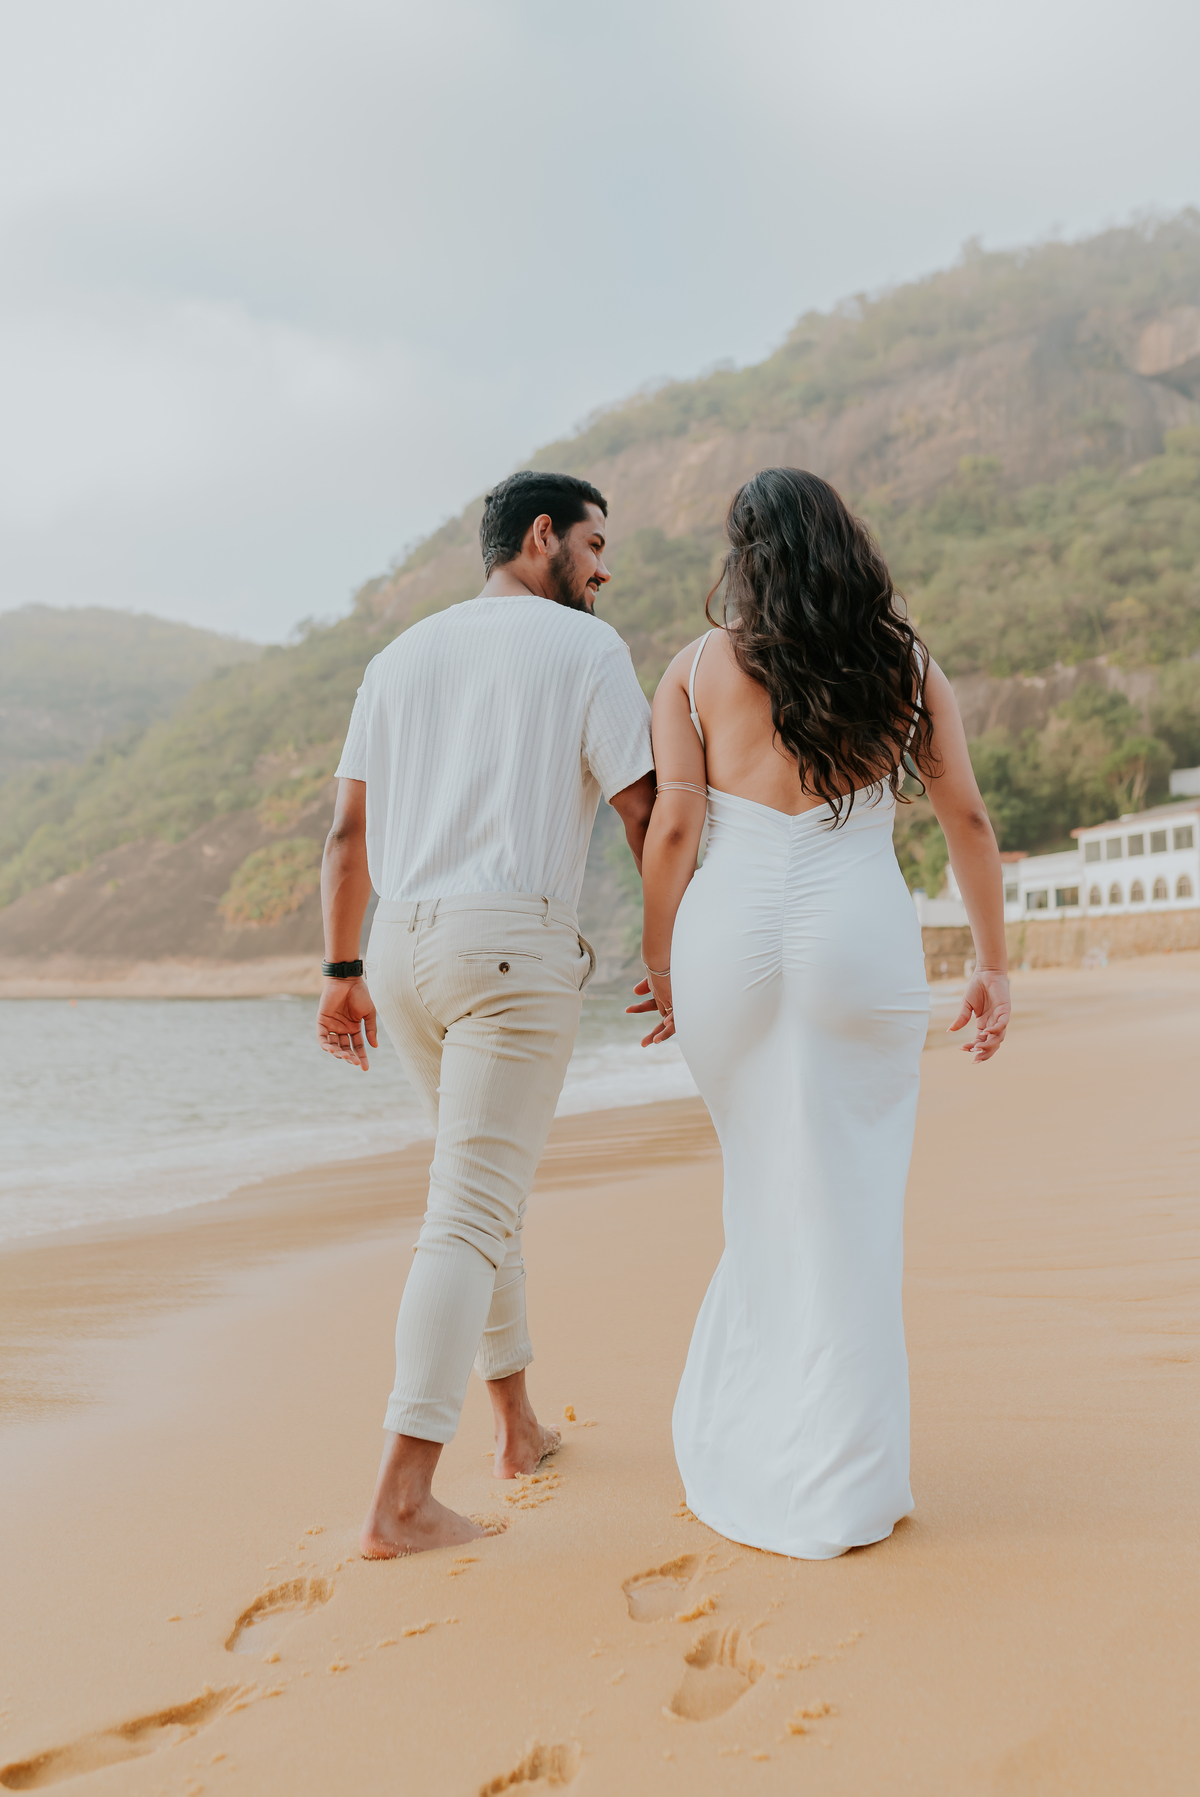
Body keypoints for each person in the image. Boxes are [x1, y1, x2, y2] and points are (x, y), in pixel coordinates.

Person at [631, 467, 1010, 1559]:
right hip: (858, 929)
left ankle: (755, 1447)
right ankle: (844, 1481)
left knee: (760, 1187)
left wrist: (661, 966)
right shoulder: (905, 667)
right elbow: (967, 821)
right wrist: (993, 965)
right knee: (851, 1199)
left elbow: (670, 835)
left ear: (744, 556)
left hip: (729, 937)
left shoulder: (697, 669)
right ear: (847, 544)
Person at [317, 470, 655, 1557]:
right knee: (467, 1211)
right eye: (595, 544)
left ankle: (517, 1431)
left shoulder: (399, 656)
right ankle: (402, 1497)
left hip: (404, 944)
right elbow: (645, 807)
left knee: (476, 1192)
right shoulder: (586, 650)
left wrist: (340, 971)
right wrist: (675, 949)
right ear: (541, 535)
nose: (605, 569)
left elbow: (345, 839)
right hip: (508, 942)